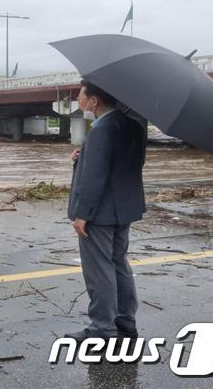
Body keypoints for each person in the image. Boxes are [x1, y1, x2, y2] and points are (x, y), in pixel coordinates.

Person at [65, 81, 147, 342]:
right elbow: (127, 163)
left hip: (99, 212)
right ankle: (125, 321)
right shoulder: (134, 124)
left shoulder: (101, 129)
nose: (79, 101)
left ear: (95, 101)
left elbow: (95, 176)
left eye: (81, 96)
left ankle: (102, 327)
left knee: (99, 269)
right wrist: (84, 155)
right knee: (118, 263)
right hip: (124, 207)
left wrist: (82, 215)